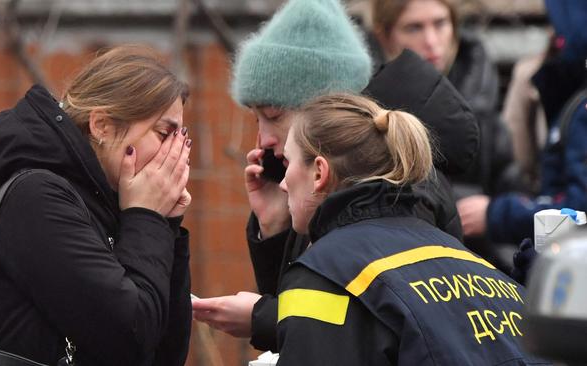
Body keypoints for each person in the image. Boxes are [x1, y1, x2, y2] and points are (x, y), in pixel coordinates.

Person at [192, 0, 479, 352]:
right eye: (257, 119)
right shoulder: (329, 186)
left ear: (325, 105)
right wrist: (276, 228)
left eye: (274, 115)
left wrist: (263, 318)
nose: (263, 140)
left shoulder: (396, 188)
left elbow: (370, 328)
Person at [274, 93, 548, 365]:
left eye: (287, 163)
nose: (283, 184)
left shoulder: (326, 272)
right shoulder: (478, 268)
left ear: (319, 173)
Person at [0, 45, 193, 366]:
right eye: (164, 133)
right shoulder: (37, 199)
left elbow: (165, 354)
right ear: (101, 125)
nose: (176, 153)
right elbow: (129, 339)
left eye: (181, 137)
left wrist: (166, 224)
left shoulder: (116, 206)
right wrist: (148, 217)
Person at [457, 0, 587, 246]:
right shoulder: (553, 83)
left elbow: (579, 211)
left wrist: (497, 215)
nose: (551, 37)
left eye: (557, 27)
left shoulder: (580, 107)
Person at [370, 0, 512, 197]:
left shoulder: (481, 90)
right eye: (413, 28)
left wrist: (492, 211)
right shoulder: (367, 106)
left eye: (440, 23)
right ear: (384, 37)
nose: (431, 41)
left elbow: (509, 176)